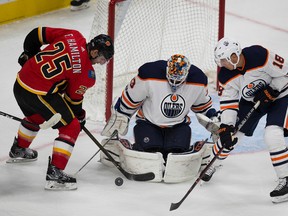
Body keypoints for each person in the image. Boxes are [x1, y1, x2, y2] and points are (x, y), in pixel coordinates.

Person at [9, 26, 114, 190]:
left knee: (37, 115)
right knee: (70, 127)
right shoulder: (86, 74)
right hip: (37, 92)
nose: (102, 62)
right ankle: (55, 175)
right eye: (103, 58)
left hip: (20, 83)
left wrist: (29, 53)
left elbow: (37, 34)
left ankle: (19, 149)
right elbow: (72, 100)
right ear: (94, 52)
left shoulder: (74, 35)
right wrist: (79, 117)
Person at [202, 37, 288, 203]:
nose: (222, 65)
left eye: (223, 60)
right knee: (231, 135)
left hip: (282, 96)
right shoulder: (226, 75)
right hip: (254, 101)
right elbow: (229, 101)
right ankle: (211, 163)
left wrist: (272, 89)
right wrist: (226, 126)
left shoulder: (259, 55)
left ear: (233, 56)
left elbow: (286, 72)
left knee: (272, 134)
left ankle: (286, 179)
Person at [101, 54, 218, 165]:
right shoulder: (149, 75)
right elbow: (130, 99)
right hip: (148, 123)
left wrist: (214, 118)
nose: (175, 83)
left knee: (177, 156)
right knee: (149, 154)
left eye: (179, 80)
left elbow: (203, 107)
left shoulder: (197, 80)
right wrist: (121, 114)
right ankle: (127, 146)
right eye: (172, 78)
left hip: (178, 126)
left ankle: (194, 149)